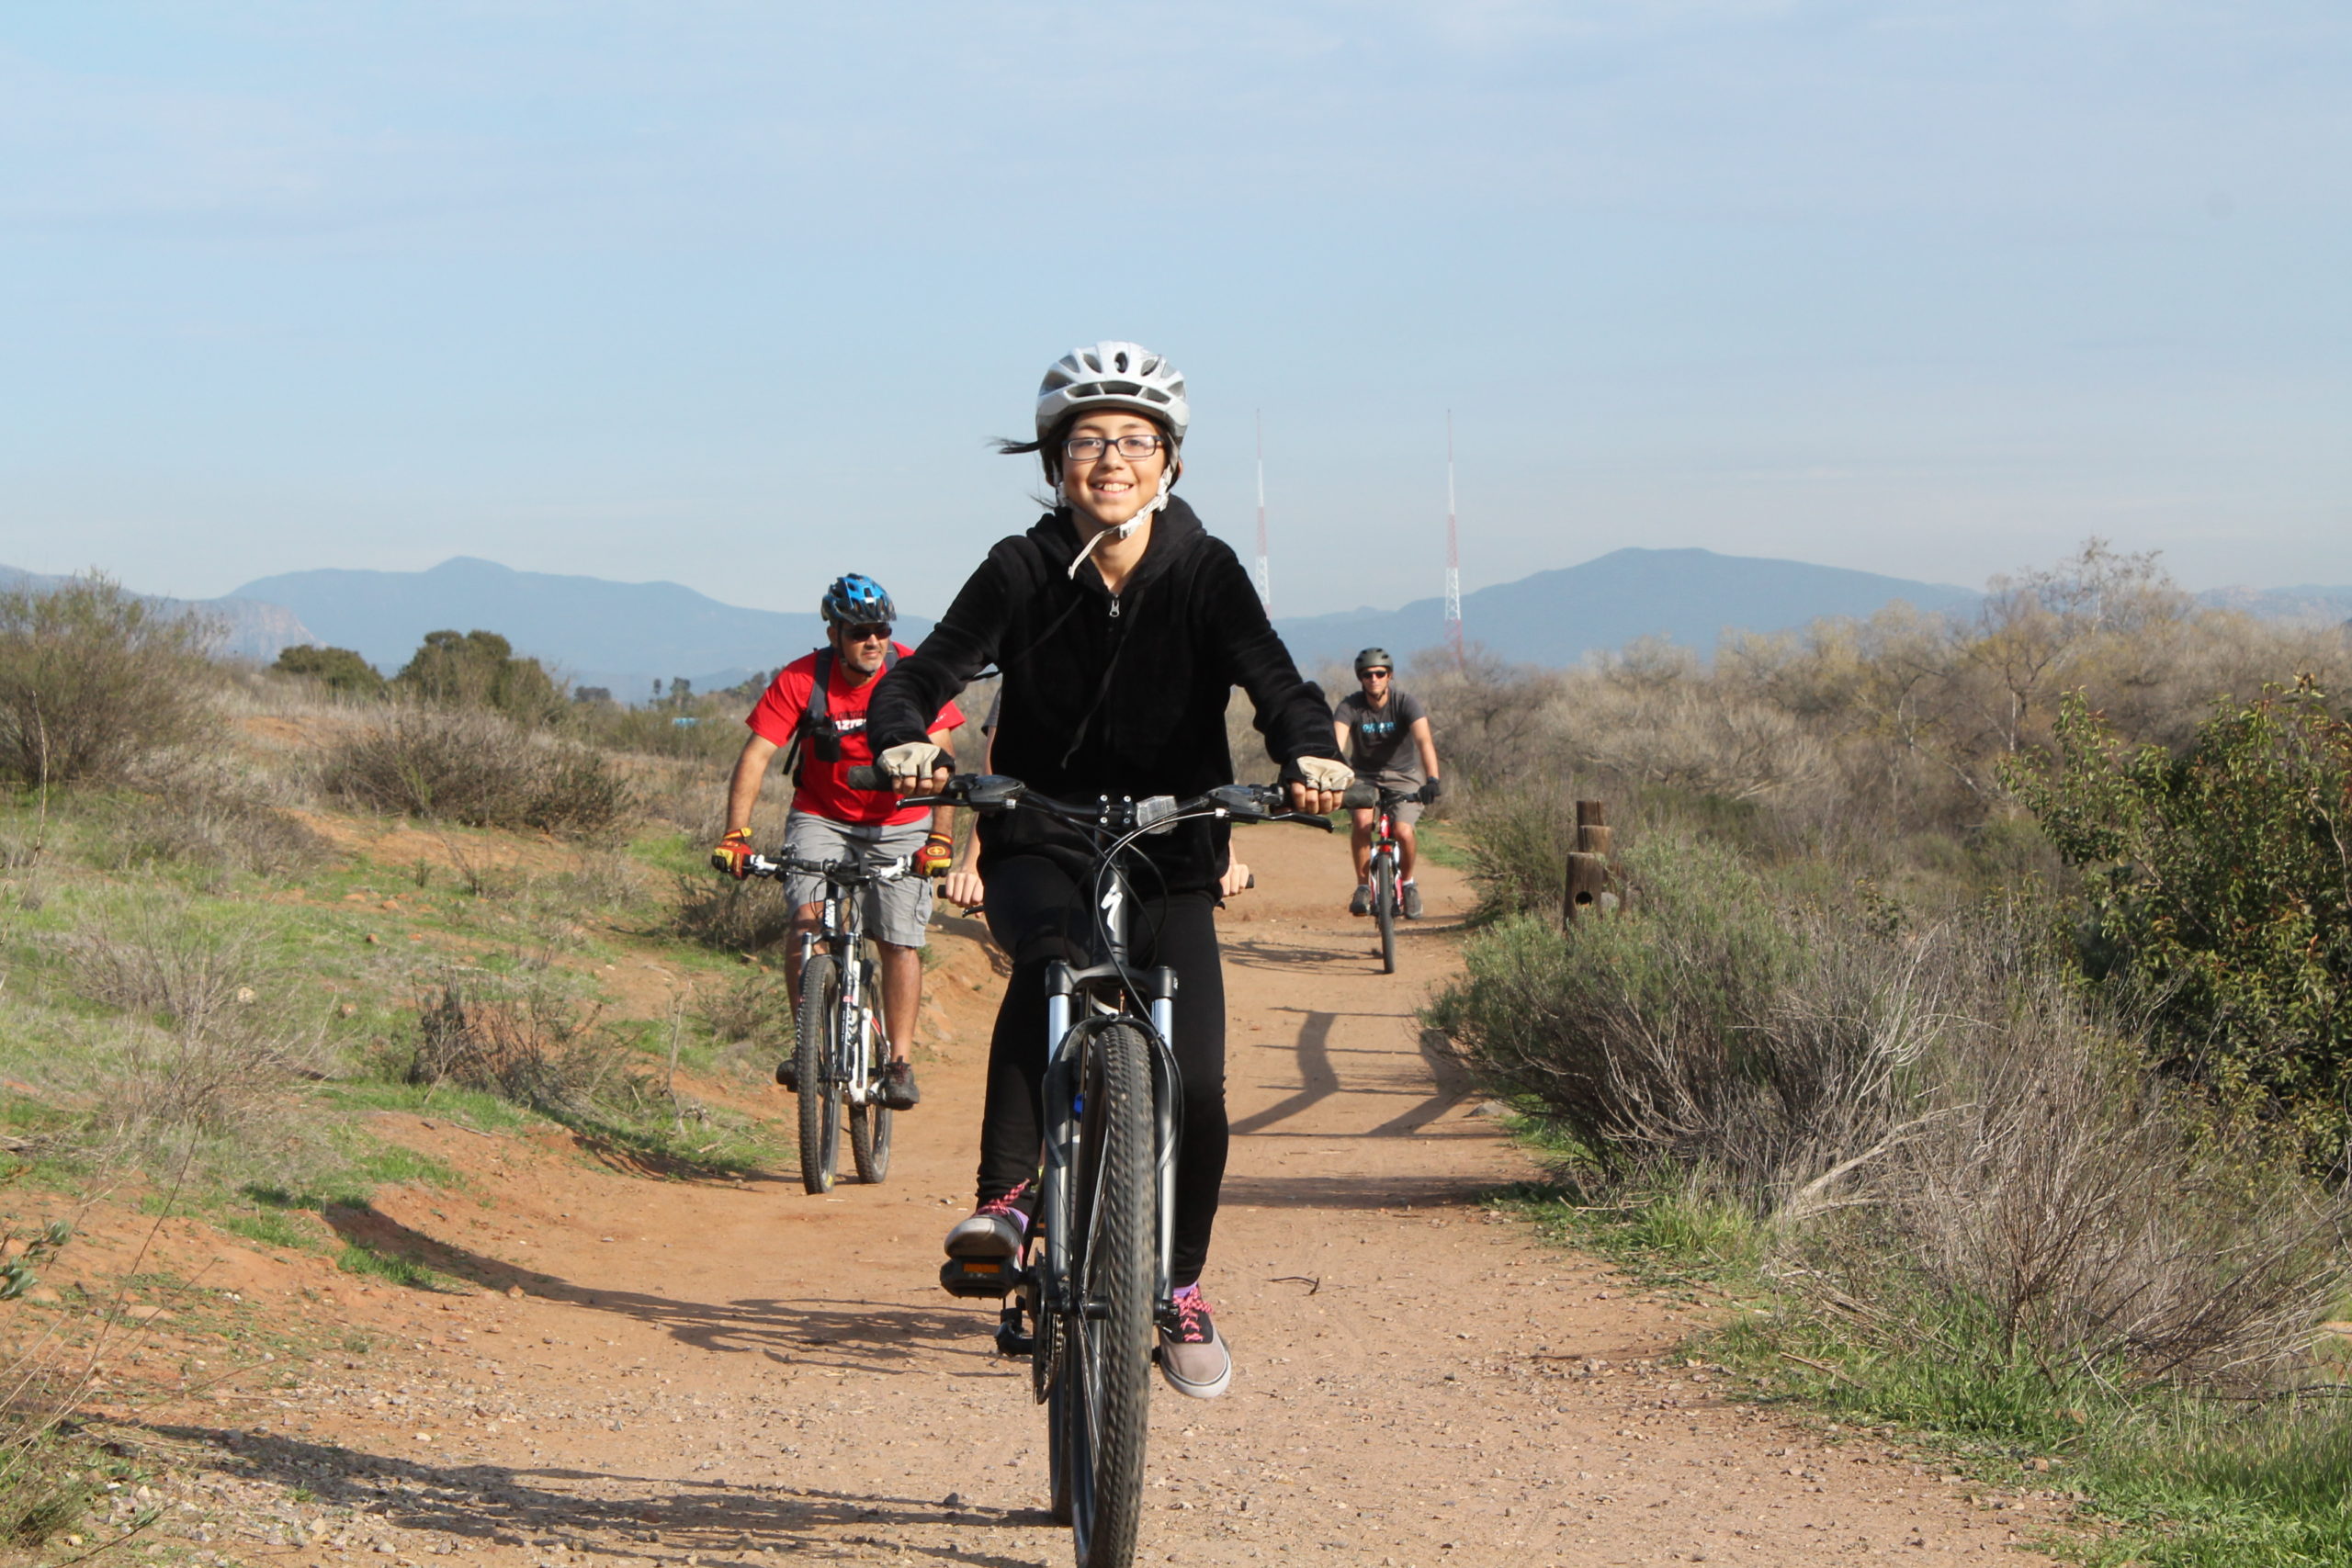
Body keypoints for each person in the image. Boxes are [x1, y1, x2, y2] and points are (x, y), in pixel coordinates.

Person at [865, 341, 1350, 1399]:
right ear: (1054, 464)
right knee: (1046, 961)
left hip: (1174, 843)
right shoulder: (1021, 567)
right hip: (1042, 830)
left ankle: (1175, 1284)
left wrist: (1308, 749)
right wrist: (903, 734)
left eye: (1136, 440)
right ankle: (1011, 1201)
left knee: (1206, 1088)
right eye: (1088, 441)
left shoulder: (1205, 570)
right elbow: (926, 671)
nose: (1111, 458)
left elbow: (1273, 677)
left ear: (1170, 462)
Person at [711, 574, 965, 1111]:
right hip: (822, 817)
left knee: (898, 939)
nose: (872, 641)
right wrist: (736, 834)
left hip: (901, 820)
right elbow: (755, 755)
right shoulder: (803, 678)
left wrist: (939, 840)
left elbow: (944, 760)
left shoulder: (912, 672)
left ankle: (898, 1061)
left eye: (880, 629)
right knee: (806, 924)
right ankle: (808, 1044)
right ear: (834, 633)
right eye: (858, 632)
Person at [1332, 647, 1443, 919]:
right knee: (1361, 823)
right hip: (1363, 775)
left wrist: (1432, 779)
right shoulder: (1351, 706)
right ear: (1360, 678)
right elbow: (1336, 745)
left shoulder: (1406, 703)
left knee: (1403, 832)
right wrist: (1333, 778)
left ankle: (1408, 883)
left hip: (1403, 776)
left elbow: (1424, 741)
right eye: (1368, 674)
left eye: (1380, 674)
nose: (1374, 679)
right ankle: (1362, 887)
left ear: (1389, 676)